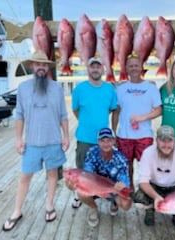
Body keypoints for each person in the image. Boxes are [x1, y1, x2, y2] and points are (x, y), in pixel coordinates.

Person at [2, 50, 69, 231]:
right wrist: (18, 139)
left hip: (53, 141)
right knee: (25, 177)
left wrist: (66, 136)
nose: (41, 67)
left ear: (47, 67)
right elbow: (19, 115)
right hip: (31, 142)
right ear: (32, 66)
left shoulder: (57, 87)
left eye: (44, 64)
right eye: (38, 64)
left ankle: (49, 205)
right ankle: (17, 210)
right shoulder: (23, 88)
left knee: (53, 174)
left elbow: (63, 115)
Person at [71, 57, 117, 208]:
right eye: (92, 67)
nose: (95, 70)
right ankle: (81, 196)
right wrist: (86, 123)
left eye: (98, 67)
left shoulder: (109, 89)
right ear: (88, 69)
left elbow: (112, 109)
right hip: (84, 137)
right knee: (83, 171)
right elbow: (75, 110)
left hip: (104, 140)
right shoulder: (79, 89)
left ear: (103, 69)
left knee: (105, 171)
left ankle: (107, 195)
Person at [112, 53, 162, 188]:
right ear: (126, 69)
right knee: (126, 166)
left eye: (136, 65)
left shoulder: (151, 87)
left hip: (145, 135)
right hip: (124, 135)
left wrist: (142, 118)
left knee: (146, 166)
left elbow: (159, 110)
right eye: (130, 66)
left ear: (141, 68)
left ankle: (145, 191)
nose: (133, 68)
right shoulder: (120, 88)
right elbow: (116, 112)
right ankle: (130, 189)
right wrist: (114, 132)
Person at [65, 127, 132, 227]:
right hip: (95, 187)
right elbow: (87, 173)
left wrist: (122, 185)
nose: (106, 144)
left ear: (114, 141)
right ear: (98, 142)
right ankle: (93, 208)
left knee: (126, 204)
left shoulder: (121, 158)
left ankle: (114, 202)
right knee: (80, 193)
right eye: (102, 140)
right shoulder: (92, 152)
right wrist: (75, 185)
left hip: (112, 188)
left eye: (109, 140)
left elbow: (124, 179)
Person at [133, 125, 175, 227]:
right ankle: (149, 210)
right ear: (156, 140)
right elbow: (143, 181)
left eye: (169, 141)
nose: (166, 144)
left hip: (174, 187)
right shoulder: (148, 153)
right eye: (163, 141)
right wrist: (156, 197)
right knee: (138, 199)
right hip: (154, 186)